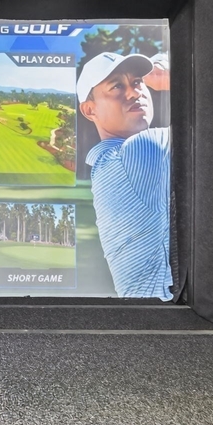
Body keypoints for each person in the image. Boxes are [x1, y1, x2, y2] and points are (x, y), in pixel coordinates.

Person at [77, 51, 172, 300]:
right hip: (168, 311)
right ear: (89, 109)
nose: (134, 93)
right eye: (117, 86)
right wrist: (170, 75)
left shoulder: (110, 160)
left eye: (137, 82)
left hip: (160, 312)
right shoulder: (135, 152)